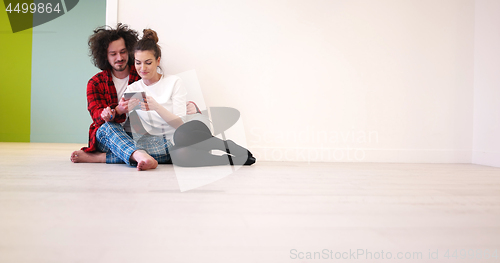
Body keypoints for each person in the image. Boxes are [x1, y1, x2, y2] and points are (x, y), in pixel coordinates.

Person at [70, 24, 197, 170]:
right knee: (108, 128)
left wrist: (192, 108)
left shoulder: (146, 75)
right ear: (105, 55)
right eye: (113, 54)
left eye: (123, 52)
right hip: (118, 135)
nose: (119, 57)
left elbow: (177, 115)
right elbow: (101, 119)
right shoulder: (98, 83)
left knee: (178, 150)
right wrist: (117, 111)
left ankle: (105, 157)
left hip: (152, 140)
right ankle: (138, 155)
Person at [124, 29, 256, 167]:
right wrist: (120, 109)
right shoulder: (132, 90)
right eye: (138, 62)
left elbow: (180, 123)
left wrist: (157, 107)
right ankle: (230, 160)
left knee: (181, 135)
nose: (142, 68)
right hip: (168, 143)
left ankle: (228, 146)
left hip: (190, 132)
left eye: (148, 62)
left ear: (158, 61)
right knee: (179, 156)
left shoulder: (174, 82)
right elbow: (123, 119)